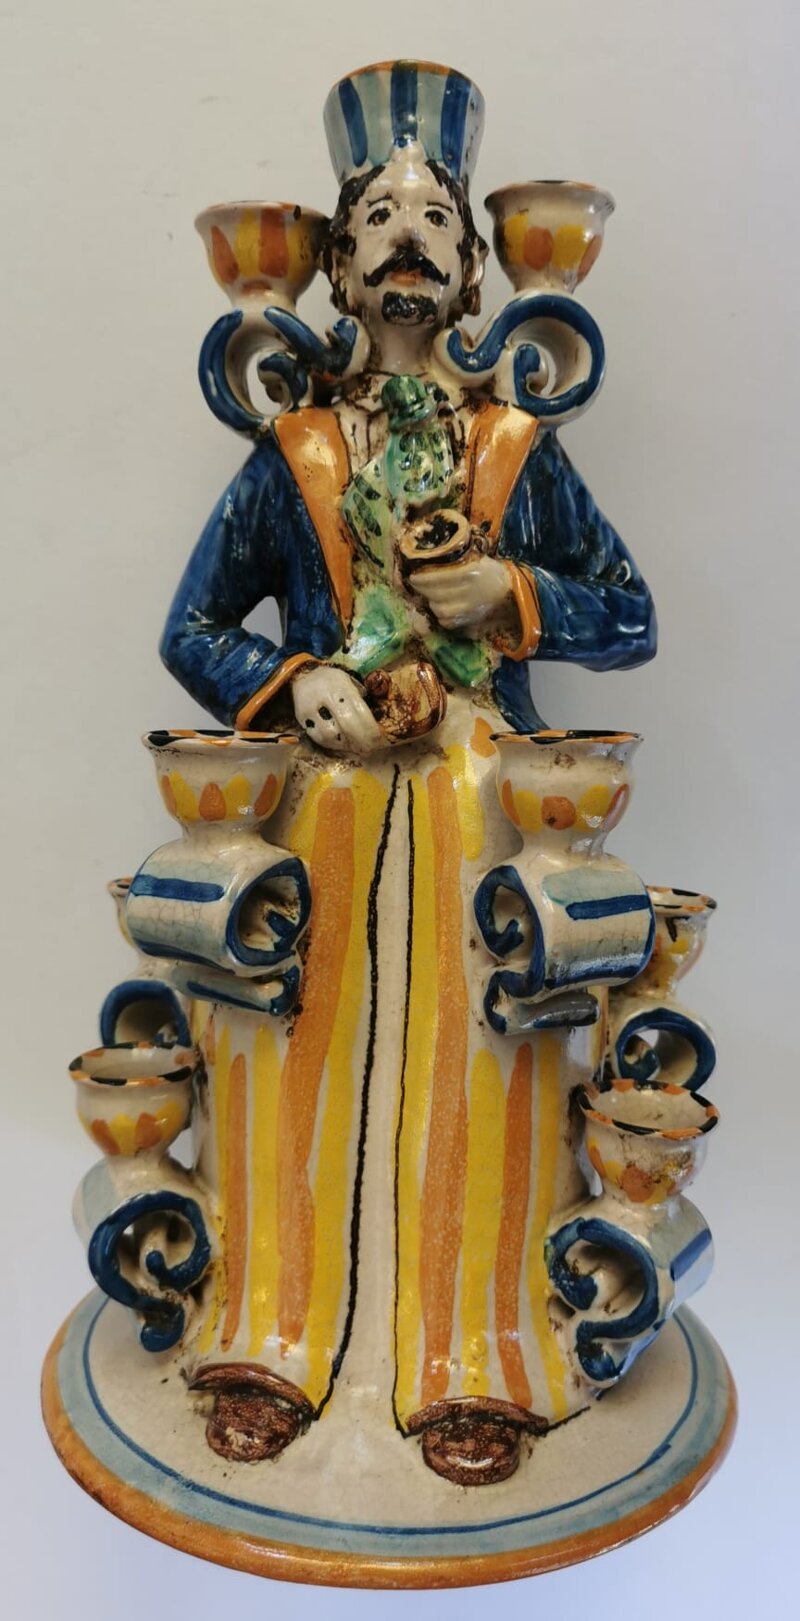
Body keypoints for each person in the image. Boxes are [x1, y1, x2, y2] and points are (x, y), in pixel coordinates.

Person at [161, 61, 657, 1485]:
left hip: (480, 793)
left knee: (485, 1060)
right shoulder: (295, 451)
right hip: (325, 796)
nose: (406, 240)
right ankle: (270, 1330)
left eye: (436, 218)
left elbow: (631, 615)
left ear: (475, 266)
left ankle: (471, 1353)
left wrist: (516, 595)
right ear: (334, 261)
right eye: (376, 216)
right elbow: (193, 628)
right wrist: (294, 682)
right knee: (285, 1051)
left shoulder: (517, 447)